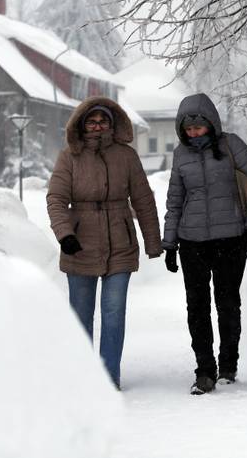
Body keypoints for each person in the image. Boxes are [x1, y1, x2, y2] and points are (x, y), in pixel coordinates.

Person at [47, 96, 163, 390]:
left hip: (120, 242)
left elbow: (143, 200)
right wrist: (65, 234)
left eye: (103, 121)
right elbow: (57, 199)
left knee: (113, 313)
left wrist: (153, 241)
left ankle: (108, 376)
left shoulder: (126, 156)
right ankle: (83, 375)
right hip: (80, 243)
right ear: (82, 124)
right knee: (81, 315)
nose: (97, 126)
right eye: (92, 121)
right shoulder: (69, 157)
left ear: (113, 125)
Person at [162, 93, 247, 395]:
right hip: (191, 242)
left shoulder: (232, 145)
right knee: (196, 308)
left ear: (211, 123)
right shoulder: (180, 155)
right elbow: (175, 200)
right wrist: (170, 244)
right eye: (188, 129)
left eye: (199, 128)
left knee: (227, 304)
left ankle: (228, 366)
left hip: (231, 240)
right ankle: (204, 371)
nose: (194, 134)